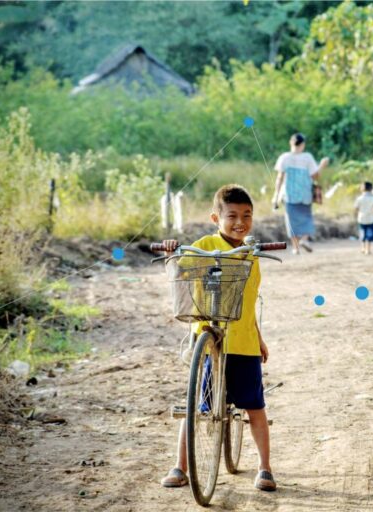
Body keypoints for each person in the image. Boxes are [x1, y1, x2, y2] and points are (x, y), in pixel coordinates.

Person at [160, 184, 277, 492]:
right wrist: (173, 252)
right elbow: (181, 270)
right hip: (210, 343)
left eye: (247, 215)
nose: (241, 222)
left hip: (243, 343)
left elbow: (248, 301)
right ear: (216, 217)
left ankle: (265, 467)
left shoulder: (249, 253)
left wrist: (259, 338)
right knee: (197, 406)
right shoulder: (204, 244)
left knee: (254, 406)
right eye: (233, 216)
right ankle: (180, 466)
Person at [271, 132, 329, 255]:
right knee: (306, 218)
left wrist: (276, 195)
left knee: (291, 221)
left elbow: (279, 178)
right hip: (305, 194)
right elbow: (315, 176)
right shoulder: (307, 157)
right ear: (302, 144)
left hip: (289, 195)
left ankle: (296, 248)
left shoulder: (284, 157)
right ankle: (305, 240)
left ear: (290, 143)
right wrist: (322, 166)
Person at [354, 181, 373, 255]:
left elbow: (356, 208)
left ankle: (363, 248)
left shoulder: (359, 198)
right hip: (371, 218)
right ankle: (368, 249)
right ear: (371, 189)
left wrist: (359, 213)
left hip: (361, 218)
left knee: (362, 233)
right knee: (369, 234)